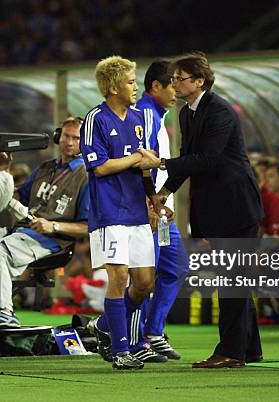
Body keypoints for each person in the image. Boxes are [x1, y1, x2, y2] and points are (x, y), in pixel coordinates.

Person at [138, 51, 264, 368]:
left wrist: (161, 163)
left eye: (181, 78)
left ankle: (231, 352)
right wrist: (164, 192)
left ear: (199, 81)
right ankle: (249, 348)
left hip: (236, 206)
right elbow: (191, 158)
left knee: (233, 281)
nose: (175, 84)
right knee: (235, 279)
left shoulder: (219, 111)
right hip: (219, 206)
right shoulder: (187, 113)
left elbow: (208, 159)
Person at [0, 116, 90, 327]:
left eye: (76, 138)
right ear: (59, 136)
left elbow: (88, 227)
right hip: (20, 232)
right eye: (66, 136)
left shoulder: (86, 175)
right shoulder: (46, 168)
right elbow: (15, 198)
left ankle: (2, 312)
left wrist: (53, 226)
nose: (69, 142)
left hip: (52, 241)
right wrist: (3, 171)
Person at [80, 55, 166, 370]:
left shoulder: (139, 119)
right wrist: (137, 159)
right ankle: (120, 350)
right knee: (117, 277)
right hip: (109, 212)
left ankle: (103, 326)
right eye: (130, 82)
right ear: (114, 86)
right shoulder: (95, 119)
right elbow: (100, 166)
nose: (135, 87)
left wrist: (154, 198)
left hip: (137, 212)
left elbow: (143, 167)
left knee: (144, 283)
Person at [134, 59, 189, 359]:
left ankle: (152, 332)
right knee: (144, 275)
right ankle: (136, 338)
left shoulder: (158, 114)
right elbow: (141, 164)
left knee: (175, 266)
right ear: (155, 86)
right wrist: (151, 202)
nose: (177, 90)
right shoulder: (144, 114)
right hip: (147, 209)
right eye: (173, 84)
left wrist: (161, 199)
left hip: (158, 206)